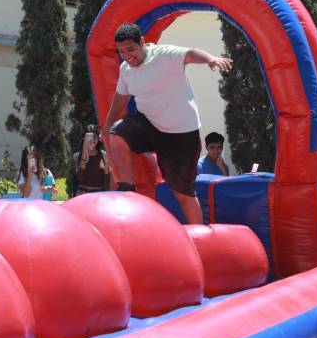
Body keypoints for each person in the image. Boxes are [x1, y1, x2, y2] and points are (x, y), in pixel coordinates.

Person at [101, 23, 232, 225]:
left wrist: (210, 59)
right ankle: (127, 189)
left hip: (181, 133)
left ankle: (198, 235)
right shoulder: (126, 69)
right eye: (121, 51)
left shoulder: (164, 54)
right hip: (149, 126)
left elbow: (190, 54)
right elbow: (120, 97)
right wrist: (107, 124)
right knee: (117, 132)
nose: (127, 56)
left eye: (130, 49)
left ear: (142, 42)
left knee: (183, 193)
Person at [73, 125, 111, 196]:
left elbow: (107, 181)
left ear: (98, 139)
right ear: (83, 138)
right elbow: (80, 177)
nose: (92, 139)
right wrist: (85, 152)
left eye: (95, 137)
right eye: (89, 137)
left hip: (99, 195)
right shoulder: (77, 156)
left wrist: (107, 165)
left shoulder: (103, 155)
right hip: (82, 195)